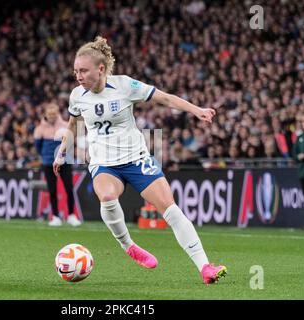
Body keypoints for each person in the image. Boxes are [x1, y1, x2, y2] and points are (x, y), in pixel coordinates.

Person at [53, 36, 226, 284]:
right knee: (108, 196)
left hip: (137, 159)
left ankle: (205, 267)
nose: (78, 76)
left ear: (100, 69)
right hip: (104, 163)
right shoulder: (77, 96)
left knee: (170, 208)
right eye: (75, 71)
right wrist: (62, 151)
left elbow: (165, 98)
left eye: (83, 70)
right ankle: (129, 246)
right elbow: (72, 125)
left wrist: (196, 110)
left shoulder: (125, 86)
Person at [34, 103, 81, 227]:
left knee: (69, 189)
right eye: (49, 114)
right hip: (48, 163)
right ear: (45, 114)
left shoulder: (65, 126)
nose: (52, 116)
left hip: (65, 162)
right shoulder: (40, 129)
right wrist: (46, 157)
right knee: (52, 190)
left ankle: (71, 215)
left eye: (54, 114)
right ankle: (55, 216)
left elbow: (71, 143)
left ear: (58, 113)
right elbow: (38, 147)